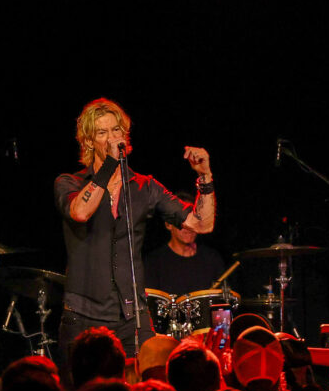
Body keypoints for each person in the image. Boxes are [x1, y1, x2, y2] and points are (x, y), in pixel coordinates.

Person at [54, 98, 215, 360]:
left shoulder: (145, 186)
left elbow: (202, 223)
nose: (110, 138)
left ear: (125, 136)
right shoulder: (69, 183)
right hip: (83, 318)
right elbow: (80, 212)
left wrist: (205, 178)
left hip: (134, 319)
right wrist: (109, 164)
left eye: (116, 130)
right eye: (102, 133)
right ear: (89, 142)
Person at [144, 190, 226, 296]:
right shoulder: (153, 262)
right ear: (168, 224)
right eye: (182, 220)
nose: (189, 227)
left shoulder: (212, 259)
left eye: (193, 220)